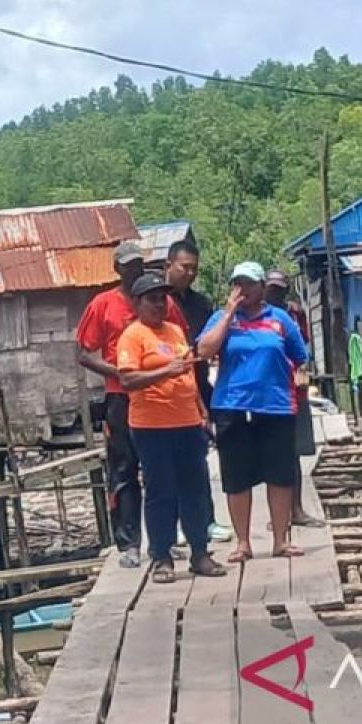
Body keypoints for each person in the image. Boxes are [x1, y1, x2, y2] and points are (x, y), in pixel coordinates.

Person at [77, 242, 188, 568]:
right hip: (122, 397)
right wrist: (125, 374)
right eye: (126, 265)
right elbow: (84, 353)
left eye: (138, 263)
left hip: (163, 397)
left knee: (165, 468)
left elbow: (183, 342)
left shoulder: (160, 300)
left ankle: (166, 538)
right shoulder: (103, 304)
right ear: (117, 269)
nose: (133, 269)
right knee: (123, 469)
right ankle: (128, 543)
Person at [118, 272, 226, 583]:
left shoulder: (176, 331)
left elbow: (188, 376)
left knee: (194, 490)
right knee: (160, 491)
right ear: (137, 303)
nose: (158, 304)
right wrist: (166, 370)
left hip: (188, 424)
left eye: (162, 298)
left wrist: (202, 413)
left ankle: (200, 553)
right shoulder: (133, 336)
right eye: (151, 299)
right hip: (152, 427)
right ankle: (162, 556)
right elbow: (127, 379)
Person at [198, 261, 309, 562]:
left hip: (274, 406)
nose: (242, 290)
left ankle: (280, 541)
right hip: (232, 406)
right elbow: (205, 351)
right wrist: (228, 314)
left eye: (248, 284)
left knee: (279, 474)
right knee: (236, 476)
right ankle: (243, 542)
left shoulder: (281, 319)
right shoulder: (221, 319)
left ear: (262, 288)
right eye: (238, 284)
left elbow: (300, 355)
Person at [165, 240, 234, 544]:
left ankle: (205, 519)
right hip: (166, 391)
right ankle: (175, 522)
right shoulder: (157, 301)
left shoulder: (201, 304)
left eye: (195, 268)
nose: (190, 274)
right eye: (185, 267)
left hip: (199, 385)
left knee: (198, 455)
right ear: (169, 265)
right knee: (168, 461)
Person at [265, 269, 326, 529]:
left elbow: (303, 347)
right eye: (271, 288)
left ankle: (297, 510)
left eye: (280, 289)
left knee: (295, 454)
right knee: (271, 455)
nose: (275, 293)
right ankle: (278, 515)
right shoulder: (255, 315)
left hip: (293, 391)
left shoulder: (293, 315)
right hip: (267, 394)